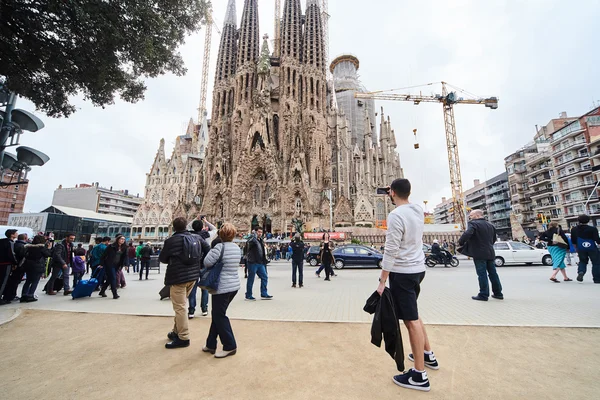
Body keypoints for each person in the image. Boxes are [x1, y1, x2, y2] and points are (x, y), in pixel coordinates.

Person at [376, 179, 437, 392]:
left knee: (410, 321)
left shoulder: (396, 215)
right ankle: (427, 354)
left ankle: (419, 376)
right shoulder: (417, 210)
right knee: (414, 314)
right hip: (418, 270)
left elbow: (391, 250)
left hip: (403, 272)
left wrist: (383, 280)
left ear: (391, 193)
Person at [161, 217, 203, 349]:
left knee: (180, 308)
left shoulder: (171, 241)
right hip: (193, 277)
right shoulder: (196, 238)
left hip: (178, 278)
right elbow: (207, 249)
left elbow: (163, 258)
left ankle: (183, 338)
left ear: (174, 227)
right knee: (181, 306)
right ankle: (176, 331)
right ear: (186, 226)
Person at [202, 223, 241, 358]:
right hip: (234, 286)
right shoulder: (237, 248)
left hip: (222, 287)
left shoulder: (219, 247)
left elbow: (206, 262)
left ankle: (230, 346)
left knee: (219, 316)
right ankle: (210, 344)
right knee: (217, 315)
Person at [458, 210, 504, 301]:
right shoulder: (490, 225)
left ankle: (483, 294)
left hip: (479, 253)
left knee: (482, 274)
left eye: (471, 215)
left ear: (478, 215)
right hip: (490, 252)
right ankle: (498, 293)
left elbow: (467, 233)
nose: (470, 217)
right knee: (493, 273)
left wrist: (461, 242)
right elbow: (493, 239)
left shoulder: (474, 224)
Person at [189, 220, 211, 318]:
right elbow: (208, 250)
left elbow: (185, 226)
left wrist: (195, 218)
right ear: (202, 227)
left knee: (192, 289)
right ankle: (204, 308)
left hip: (192, 267)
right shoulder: (207, 236)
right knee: (204, 288)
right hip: (203, 266)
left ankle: (191, 310)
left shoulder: (188, 237)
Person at [20, 235, 52, 302]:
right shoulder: (42, 248)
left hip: (28, 265)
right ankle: (30, 295)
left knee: (28, 281)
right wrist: (49, 248)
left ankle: (24, 295)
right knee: (35, 281)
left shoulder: (28, 247)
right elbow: (48, 254)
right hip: (38, 266)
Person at [570, 214, 600, 283]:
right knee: (596, 263)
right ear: (588, 220)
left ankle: (581, 272)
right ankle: (597, 279)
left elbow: (573, 240)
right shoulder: (593, 229)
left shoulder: (574, 229)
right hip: (592, 248)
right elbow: (597, 240)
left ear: (578, 220)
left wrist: (576, 248)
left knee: (583, 261)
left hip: (580, 248)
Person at [245, 227, 272, 301]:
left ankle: (264, 293)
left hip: (260, 262)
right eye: (258, 232)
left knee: (264, 277)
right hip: (252, 262)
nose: (260, 233)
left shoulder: (260, 240)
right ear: (255, 232)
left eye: (261, 232)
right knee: (251, 279)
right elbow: (248, 243)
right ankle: (248, 295)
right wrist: (253, 236)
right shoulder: (252, 240)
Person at [1, 233, 28, 303]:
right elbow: (23, 257)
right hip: (18, 266)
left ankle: (9, 295)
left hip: (13, 265)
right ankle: (9, 296)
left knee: (11, 281)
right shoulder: (23, 246)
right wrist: (16, 264)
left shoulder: (14, 244)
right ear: (25, 238)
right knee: (14, 282)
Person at [99, 235, 127, 299]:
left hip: (117, 265)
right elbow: (104, 255)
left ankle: (102, 291)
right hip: (109, 264)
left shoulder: (124, 247)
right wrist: (101, 263)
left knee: (109, 279)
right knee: (113, 278)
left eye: (124, 239)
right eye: (121, 239)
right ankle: (115, 293)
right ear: (118, 239)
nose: (122, 240)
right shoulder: (111, 246)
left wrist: (126, 264)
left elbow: (125, 257)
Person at [0, 229, 18, 304]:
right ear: (12, 235)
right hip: (6, 263)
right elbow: (11, 254)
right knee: (3, 281)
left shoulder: (1, 241)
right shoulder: (10, 243)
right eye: (16, 233)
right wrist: (15, 263)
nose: (17, 234)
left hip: (1, 262)